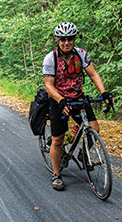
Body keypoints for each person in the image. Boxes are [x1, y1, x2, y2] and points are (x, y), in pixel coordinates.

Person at [42, 22, 112, 190]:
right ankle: (57, 174)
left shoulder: (80, 54)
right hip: (58, 99)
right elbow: (48, 85)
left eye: (70, 39)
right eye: (63, 39)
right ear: (57, 40)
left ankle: (83, 154)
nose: (67, 43)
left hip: (78, 98)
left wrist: (104, 93)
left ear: (74, 39)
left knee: (94, 128)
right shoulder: (51, 58)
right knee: (58, 139)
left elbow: (93, 74)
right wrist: (61, 100)